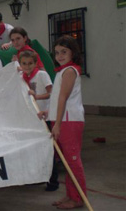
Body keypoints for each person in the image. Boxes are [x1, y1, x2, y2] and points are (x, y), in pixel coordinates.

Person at [49, 35, 86, 210]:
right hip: (62, 119)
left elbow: (63, 98)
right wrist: (47, 113)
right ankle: (71, 194)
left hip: (69, 122)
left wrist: (57, 124)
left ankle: (78, 197)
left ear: (73, 52)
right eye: (57, 52)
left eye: (64, 51)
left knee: (72, 161)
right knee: (66, 161)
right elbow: (57, 98)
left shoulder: (70, 71)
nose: (60, 55)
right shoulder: (63, 71)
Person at [19, 50, 58, 192]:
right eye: (24, 64)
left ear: (36, 63)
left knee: (48, 149)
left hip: (45, 117)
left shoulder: (41, 75)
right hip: (32, 118)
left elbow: (51, 93)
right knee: (35, 148)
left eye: (30, 63)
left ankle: (53, 181)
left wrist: (37, 96)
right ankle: (38, 177)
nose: (27, 66)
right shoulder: (22, 77)